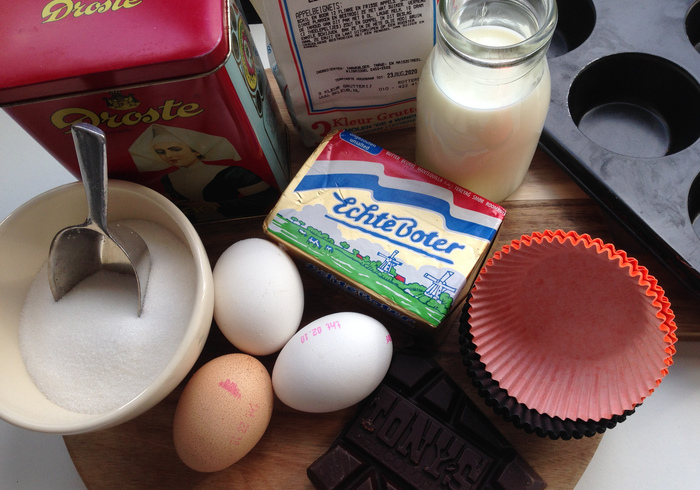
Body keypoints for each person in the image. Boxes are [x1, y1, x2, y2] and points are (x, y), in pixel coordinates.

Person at [129, 124, 279, 219]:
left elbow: (268, 196)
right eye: (161, 152)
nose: (168, 156)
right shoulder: (167, 179)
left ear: (196, 151)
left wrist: (217, 206)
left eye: (175, 149)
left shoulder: (231, 173)